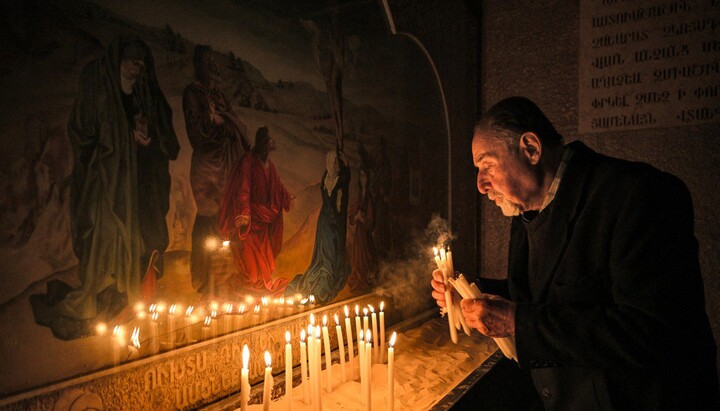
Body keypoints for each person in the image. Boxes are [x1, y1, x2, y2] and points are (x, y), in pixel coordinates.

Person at [431, 97, 718, 410]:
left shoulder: (639, 195)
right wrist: (471, 293)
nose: (481, 185)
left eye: (488, 166)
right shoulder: (526, 208)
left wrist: (518, 322)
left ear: (531, 149)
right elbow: (545, 295)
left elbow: (650, 332)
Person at [31, 36, 180, 339]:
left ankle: (122, 297)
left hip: (131, 185)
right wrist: (121, 142)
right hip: (104, 183)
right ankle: (93, 299)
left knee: (130, 240)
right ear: (119, 58)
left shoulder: (142, 93)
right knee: (102, 238)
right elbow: (83, 131)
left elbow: (158, 131)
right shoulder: (98, 81)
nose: (137, 68)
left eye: (142, 62)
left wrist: (143, 141)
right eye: (132, 60)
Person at [183, 45, 251, 296]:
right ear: (198, 65)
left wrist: (224, 120)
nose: (212, 67)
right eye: (207, 62)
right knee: (210, 217)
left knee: (227, 219)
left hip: (227, 165)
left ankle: (225, 279)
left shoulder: (218, 95)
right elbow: (197, 134)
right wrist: (212, 120)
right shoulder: (192, 94)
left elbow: (236, 124)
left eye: (214, 62)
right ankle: (205, 280)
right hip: (208, 168)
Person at [219, 126, 293, 296]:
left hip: (263, 223)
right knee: (252, 274)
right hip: (250, 220)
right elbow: (243, 188)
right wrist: (244, 214)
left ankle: (258, 291)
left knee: (267, 267)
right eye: (268, 140)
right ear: (262, 143)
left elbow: (278, 187)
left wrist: (287, 198)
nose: (271, 143)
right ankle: (251, 288)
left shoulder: (270, 165)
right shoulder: (248, 162)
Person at [285, 149, 351, 303]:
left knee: (334, 248)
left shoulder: (340, 179)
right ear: (329, 163)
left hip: (336, 219)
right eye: (335, 162)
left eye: (338, 162)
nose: (337, 165)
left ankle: (330, 273)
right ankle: (324, 272)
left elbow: (346, 179)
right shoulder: (326, 178)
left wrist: (345, 162)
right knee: (324, 249)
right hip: (325, 220)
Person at [347, 166, 378, 292]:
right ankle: (360, 279)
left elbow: (371, 221)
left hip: (365, 233)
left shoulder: (369, 197)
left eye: (364, 176)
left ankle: (367, 279)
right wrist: (356, 217)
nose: (362, 179)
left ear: (368, 178)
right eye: (360, 176)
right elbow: (351, 216)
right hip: (359, 233)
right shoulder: (358, 195)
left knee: (367, 256)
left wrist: (363, 218)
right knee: (358, 258)